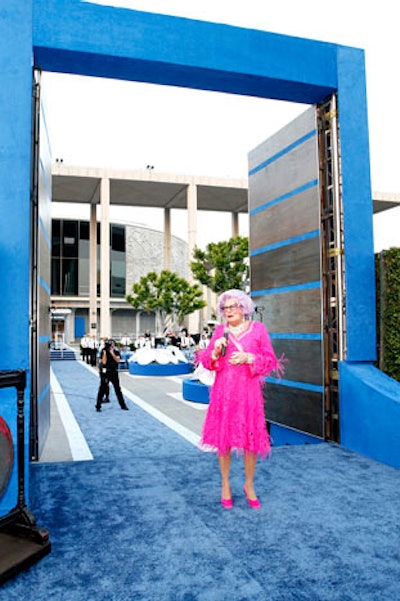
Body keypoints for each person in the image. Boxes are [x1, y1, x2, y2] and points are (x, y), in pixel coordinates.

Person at [197, 289, 284, 510]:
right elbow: (207, 361)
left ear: (244, 308)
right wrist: (215, 353)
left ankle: (249, 485)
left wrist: (249, 357)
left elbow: (270, 360)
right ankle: (225, 484)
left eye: (233, 306)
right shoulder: (220, 331)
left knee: (250, 440)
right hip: (223, 394)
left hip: (248, 394)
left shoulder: (258, 330)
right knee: (223, 440)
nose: (228, 311)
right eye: (225, 308)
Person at [96, 339, 129, 412]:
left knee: (118, 389)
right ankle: (98, 405)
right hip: (105, 372)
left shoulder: (116, 352)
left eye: (112, 344)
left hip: (114, 372)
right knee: (102, 389)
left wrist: (112, 353)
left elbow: (117, 360)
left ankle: (123, 405)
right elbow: (104, 362)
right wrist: (104, 353)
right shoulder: (103, 351)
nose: (111, 346)